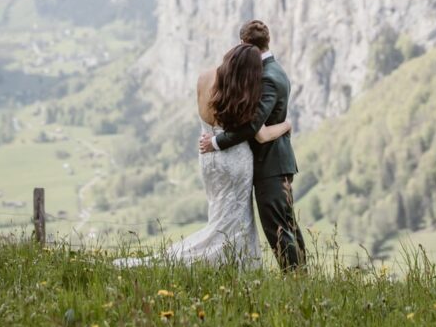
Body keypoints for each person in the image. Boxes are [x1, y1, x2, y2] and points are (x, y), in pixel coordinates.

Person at [114, 43, 290, 269]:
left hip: (207, 158)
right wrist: (287, 124)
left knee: (218, 215)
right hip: (234, 158)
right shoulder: (240, 92)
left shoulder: (204, 78)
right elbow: (262, 134)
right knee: (237, 220)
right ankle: (229, 265)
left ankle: (215, 261)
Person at [199, 20, 306, 271]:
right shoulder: (272, 71)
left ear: (245, 45)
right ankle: (302, 276)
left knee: (276, 228)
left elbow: (253, 126)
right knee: (287, 224)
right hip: (272, 161)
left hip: (271, 163)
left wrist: (216, 142)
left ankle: (295, 279)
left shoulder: (268, 77)